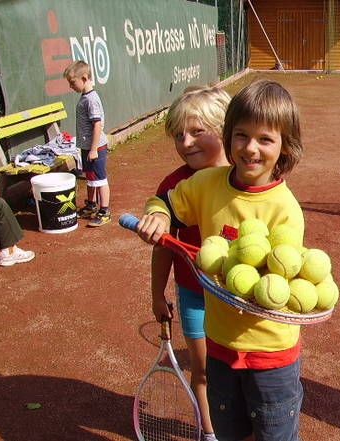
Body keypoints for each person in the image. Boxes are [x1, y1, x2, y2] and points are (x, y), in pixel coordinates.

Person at [137, 79, 305, 441]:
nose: (250, 148)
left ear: (285, 148)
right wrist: (161, 216)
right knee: (230, 433)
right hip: (219, 344)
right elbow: (163, 202)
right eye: (241, 135)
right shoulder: (205, 184)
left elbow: (278, 281)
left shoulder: (286, 210)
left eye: (265, 139)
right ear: (229, 136)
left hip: (270, 354)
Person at [151, 85, 231, 441]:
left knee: (238, 371)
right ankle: (211, 434)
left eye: (198, 132)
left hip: (239, 300)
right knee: (203, 371)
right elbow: (163, 246)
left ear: (226, 128)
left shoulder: (248, 180)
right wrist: (156, 295)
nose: (186, 143)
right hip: (193, 295)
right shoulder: (172, 186)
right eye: (179, 135)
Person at [63, 60, 111, 226]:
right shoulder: (85, 98)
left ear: (84, 78)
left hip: (95, 148)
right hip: (87, 147)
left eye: (72, 82)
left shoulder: (91, 99)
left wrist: (93, 149)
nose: (71, 86)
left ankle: (104, 211)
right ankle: (91, 206)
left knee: (100, 179)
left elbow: (97, 125)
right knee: (90, 178)